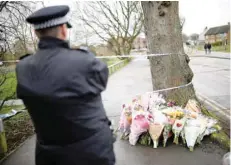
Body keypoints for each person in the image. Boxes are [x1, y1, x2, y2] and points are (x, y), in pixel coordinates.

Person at [16, 5, 115, 165]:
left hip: (49, 155)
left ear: (36, 33)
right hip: (92, 153)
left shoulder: (23, 67)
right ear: (63, 29)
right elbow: (101, 79)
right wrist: (85, 54)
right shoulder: (84, 61)